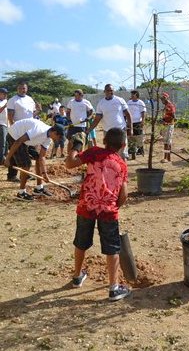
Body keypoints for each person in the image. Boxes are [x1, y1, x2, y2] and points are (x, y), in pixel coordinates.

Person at [64, 127, 131, 301]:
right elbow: (124, 194)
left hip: (87, 205)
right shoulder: (122, 165)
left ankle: (77, 276)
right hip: (108, 211)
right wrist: (114, 205)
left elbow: (70, 163)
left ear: (104, 141)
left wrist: (76, 147)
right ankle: (113, 288)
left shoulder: (93, 152)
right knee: (112, 248)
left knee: (81, 241)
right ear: (123, 145)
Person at [3, 118, 65, 201]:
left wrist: (44, 174)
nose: (58, 140)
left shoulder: (48, 138)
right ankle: (21, 193)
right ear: (54, 132)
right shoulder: (39, 130)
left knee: (37, 158)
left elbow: (42, 157)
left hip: (26, 140)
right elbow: (19, 141)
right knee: (26, 164)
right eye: (59, 137)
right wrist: (7, 158)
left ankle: (39, 188)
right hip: (15, 135)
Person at [86, 84, 133, 160]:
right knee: (109, 154)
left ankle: (123, 171)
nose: (110, 92)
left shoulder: (120, 100)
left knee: (122, 154)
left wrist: (130, 129)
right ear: (104, 91)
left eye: (111, 90)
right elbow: (97, 119)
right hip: (108, 132)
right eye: (108, 90)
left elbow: (128, 114)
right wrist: (89, 130)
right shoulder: (101, 103)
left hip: (121, 130)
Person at [6, 82, 40, 181]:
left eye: (24, 88)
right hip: (17, 130)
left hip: (29, 130)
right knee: (15, 152)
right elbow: (10, 116)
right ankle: (12, 175)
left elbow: (32, 115)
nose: (22, 90)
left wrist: (38, 110)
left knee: (25, 152)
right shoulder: (13, 100)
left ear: (27, 89)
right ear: (17, 89)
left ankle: (25, 173)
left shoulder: (30, 100)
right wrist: (14, 129)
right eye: (20, 88)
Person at [66, 89, 94, 153]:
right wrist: (69, 120)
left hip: (82, 126)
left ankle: (80, 155)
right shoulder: (71, 102)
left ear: (82, 95)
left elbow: (92, 111)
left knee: (81, 141)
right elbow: (68, 112)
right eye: (75, 96)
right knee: (70, 141)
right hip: (72, 125)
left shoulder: (86, 102)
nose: (76, 97)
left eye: (77, 96)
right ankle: (69, 155)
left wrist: (89, 117)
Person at [127, 90, 146, 159]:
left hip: (138, 122)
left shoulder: (140, 103)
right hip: (130, 122)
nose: (131, 96)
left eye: (133, 94)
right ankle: (132, 150)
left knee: (139, 136)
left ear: (136, 95)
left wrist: (143, 121)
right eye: (131, 94)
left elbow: (143, 112)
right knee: (130, 136)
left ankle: (140, 150)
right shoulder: (129, 102)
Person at [160, 92, 176, 163]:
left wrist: (166, 120)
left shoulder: (170, 106)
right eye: (161, 99)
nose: (162, 100)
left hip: (169, 125)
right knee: (166, 142)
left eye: (163, 98)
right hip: (165, 125)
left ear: (166, 98)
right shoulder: (166, 106)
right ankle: (168, 157)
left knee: (167, 142)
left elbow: (173, 116)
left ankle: (166, 157)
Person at [0, 88, 8, 163]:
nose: (5, 95)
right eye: (4, 93)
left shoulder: (6, 101)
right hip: (1, 124)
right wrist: (5, 106)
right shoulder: (3, 103)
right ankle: (1, 159)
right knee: (3, 142)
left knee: (6, 142)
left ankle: (5, 156)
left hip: (6, 124)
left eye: (6, 93)